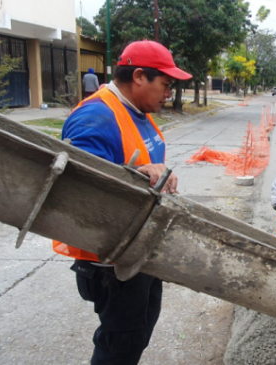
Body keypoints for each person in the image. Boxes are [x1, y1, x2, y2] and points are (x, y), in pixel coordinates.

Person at [53, 40, 192, 365]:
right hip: (111, 262)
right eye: (166, 84)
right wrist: (135, 173)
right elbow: (78, 193)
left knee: (136, 336)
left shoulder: (138, 112)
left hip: (139, 249)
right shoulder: (96, 116)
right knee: (119, 346)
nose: (168, 93)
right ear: (140, 76)